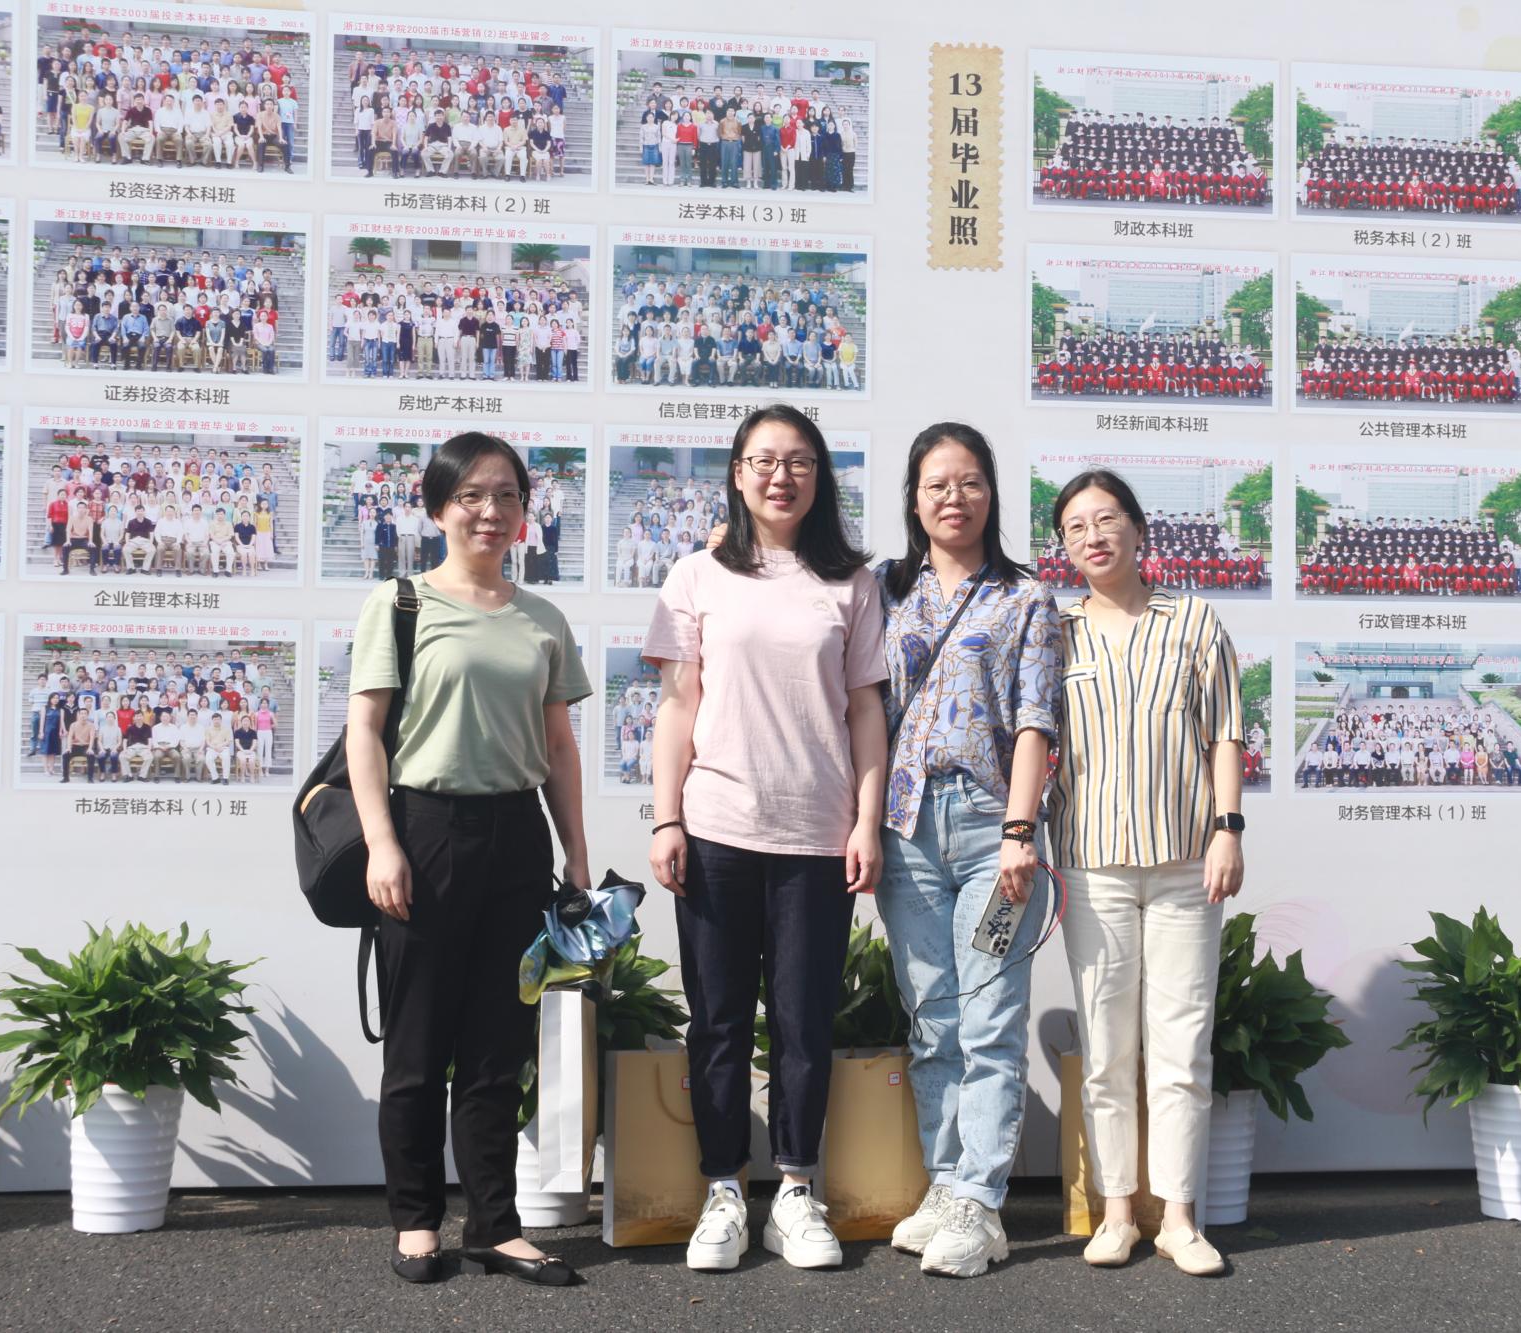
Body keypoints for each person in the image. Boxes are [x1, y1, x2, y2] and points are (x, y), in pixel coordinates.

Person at [643, 404, 886, 1274]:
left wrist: (865, 820)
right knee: (716, 1020)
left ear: (821, 477)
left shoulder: (852, 583)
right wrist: (666, 817)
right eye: (764, 461)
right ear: (738, 473)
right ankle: (721, 1188)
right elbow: (677, 706)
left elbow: (866, 710)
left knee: (802, 1021)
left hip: (816, 834)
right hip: (717, 828)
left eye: (800, 462)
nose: (782, 476)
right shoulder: (697, 574)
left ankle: (794, 1190)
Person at [348, 431, 592, 1287]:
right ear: (438, 508)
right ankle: (417, 1221)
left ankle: (495, 1225)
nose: (492, 511)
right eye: (472, 496)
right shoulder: (401, 603)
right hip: (425, 831)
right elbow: (365, 732)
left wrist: (577, 856)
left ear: (527, 511)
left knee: (497, 1047)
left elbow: (558, 748)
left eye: (508, 496)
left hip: (517, 836)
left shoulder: (543, 618)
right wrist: (383, 842)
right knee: (417, 1048)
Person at [873, 423, 1061, 1276]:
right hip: (907, 829)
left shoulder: (1026, 598)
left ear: (992, 492)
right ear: (914, 499)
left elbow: (1036, 721)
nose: (955, 497)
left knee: (989, 1018)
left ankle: (982, 1203)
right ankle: (947, 1184)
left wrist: (1021, 832)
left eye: (971, 481)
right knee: (933, 1019)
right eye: (937, 484)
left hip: (992, 832)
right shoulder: (884, 589)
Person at [1045, 468, 1242, 1277]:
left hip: (1186, 862)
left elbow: (1225, 733)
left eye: (1106, 519)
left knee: (1182, 1046)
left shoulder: (1193, 620)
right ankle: (1119, 1211)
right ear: (1063, 547)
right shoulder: (1055, 634)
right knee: (1106, 1051)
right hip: (1092, 864)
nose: (1093, 536)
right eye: (1076, 527)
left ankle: (1180, 1218)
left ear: (1137, 528)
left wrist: (1228, 829)